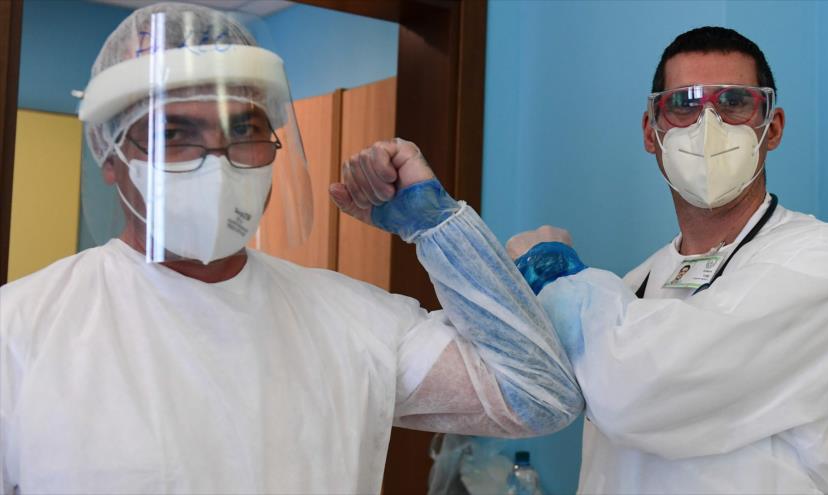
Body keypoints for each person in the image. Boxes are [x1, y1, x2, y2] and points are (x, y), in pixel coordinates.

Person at [0, 3, 584, 494]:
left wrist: (437, 228)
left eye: (244, 130)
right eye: (174, 134)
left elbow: (538, 397)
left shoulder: (352, 321)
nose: (217, 162)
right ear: (110, 155)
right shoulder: (24, 328)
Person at [507, 27, 828, 493]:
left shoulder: (820, 260)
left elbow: (637, 391)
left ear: (772, 127)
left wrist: (552, 274)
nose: (708, 125)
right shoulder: (634, 283)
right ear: (650, 133)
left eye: (735, 102)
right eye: (684, 105)